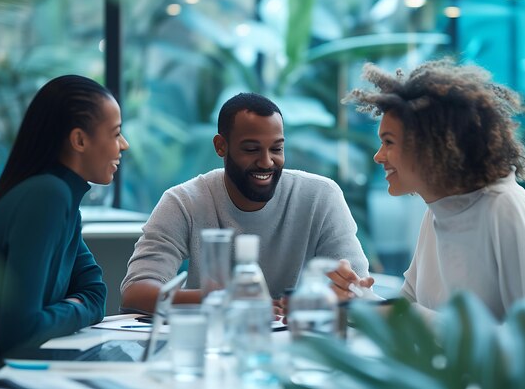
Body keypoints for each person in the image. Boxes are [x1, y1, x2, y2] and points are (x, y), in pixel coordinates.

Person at [344, 58, 525, 323]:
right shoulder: (439, 208)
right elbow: (408, 314)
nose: (378, 157)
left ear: (431, 145)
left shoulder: (503, 207)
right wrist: (357, 296)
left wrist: (379, 308)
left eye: (388, 142)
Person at [0, 75, 129, 384]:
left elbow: (97, 293)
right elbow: (20, 335)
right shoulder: (47, 196)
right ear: (79, 140)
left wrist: (67, 309)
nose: (124, 145)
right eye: (116, 133)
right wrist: (75, 305)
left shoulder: (63, 201)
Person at [121, 92, 373, 314]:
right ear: (221, 146)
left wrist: (343, 288)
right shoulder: (184, 202)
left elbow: (359, 289)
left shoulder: (321, 195)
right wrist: (223, 300)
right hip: (215, 342)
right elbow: (136, 291)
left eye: (276, 149)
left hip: (300, 342)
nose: (266, 162)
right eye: (251, 149)